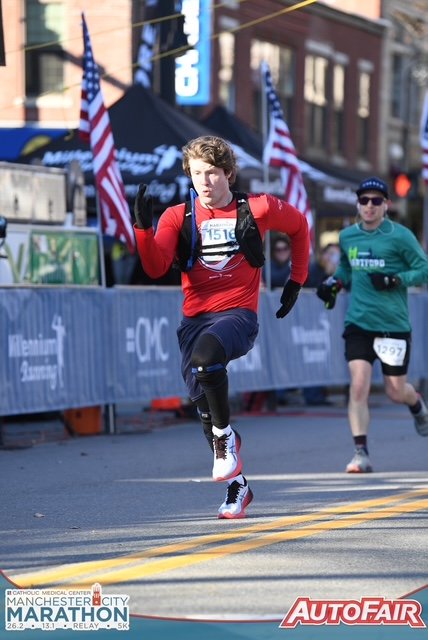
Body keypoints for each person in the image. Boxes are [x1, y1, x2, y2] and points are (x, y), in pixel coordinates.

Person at [133, 135, 310, 518]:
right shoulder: (177, 216)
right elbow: (156, 267)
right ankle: (237, 486)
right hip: (194, 320)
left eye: (212, 173)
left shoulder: (258, 208)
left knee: (206, 359)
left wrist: (297, 279)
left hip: (238, 315)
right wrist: (143, 230)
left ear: (228, 173)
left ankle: (224, 438)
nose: (205, 182)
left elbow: (299, 227)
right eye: (197, 174)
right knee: (205, 411)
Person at [316, 176, 428, 473]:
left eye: (376, 201)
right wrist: (334, 283)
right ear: (358, 204)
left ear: (386, 205)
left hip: (393, 324)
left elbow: (424, 269)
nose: (369, 205)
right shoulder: (347, 236)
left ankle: (416, 404)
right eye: (364, 200)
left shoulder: (400, 236)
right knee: (358, 386)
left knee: (395, 391)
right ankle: (361, 453)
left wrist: (395, 279)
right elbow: (346, 269)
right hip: (359, 322)